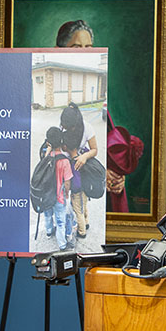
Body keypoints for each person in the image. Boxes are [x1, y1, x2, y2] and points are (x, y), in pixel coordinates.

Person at [56, 19, 144, 212]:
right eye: (77, 47)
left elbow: (107, 150)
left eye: (89, 47)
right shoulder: (57, 101)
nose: (85, 52)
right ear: (60, 49)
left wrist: (115, 177)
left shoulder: (97, 98)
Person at [60, 102, 97, 238]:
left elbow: (94, 150)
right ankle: (85, 222)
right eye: (63, 126)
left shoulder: (87, 128)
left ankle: (82, 230)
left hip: (78, 169)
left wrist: (84, 157)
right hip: (68, 169)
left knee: (78, 201)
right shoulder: (63, 126)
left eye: (69, 128)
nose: (65, 129)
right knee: (81, 202)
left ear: (75, 125)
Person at [43, 127, 75, 251]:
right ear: (61, 141)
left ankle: (49, 231)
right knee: (60, 220)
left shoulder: (46, 157)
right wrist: (66, 193)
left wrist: (48, 148)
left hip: (46, 194)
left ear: (48, 142)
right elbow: (67, 182)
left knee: (47, 214)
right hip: (59, 196)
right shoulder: (64, 161)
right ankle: (62, 244)